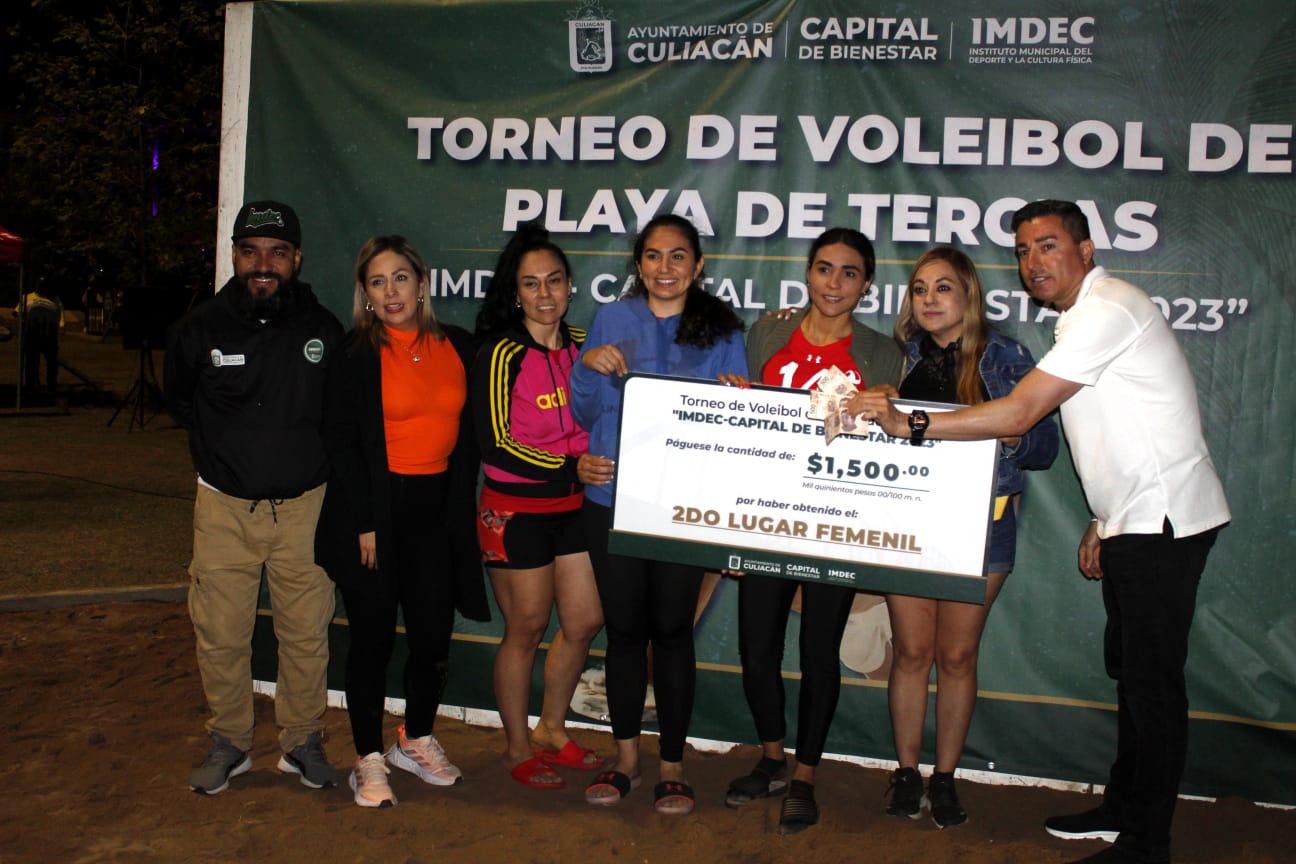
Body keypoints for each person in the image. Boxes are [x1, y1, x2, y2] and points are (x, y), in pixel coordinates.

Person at [849, 201, 1229, 864]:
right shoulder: (1081, 320)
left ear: (1085, 248)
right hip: (1135, 519)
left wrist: (911, 423)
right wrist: (1105, 518)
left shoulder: (1108, 307)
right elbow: (1126, 427)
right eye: (1024, 250)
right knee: (1132, 672)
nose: (1034, 262)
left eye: (1048, 246)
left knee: (1152, 683)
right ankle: (1123, 808)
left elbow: (1025, 414)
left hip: (1166, 521)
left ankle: (1147, 843)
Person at [164, 200, 344, 795]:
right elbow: (183, 405)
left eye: (277, 253)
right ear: (235, 254)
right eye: (250, 251)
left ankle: (301, 741)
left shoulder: (322, 329)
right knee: (219, 630)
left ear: (296, 258)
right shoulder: (200, 328)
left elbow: (335, 417)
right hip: (224, 508)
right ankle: (230, 742)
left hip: (305, 509)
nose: (263, 264)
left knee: (306, 631)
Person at [728, 227, 904, 834]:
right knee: (756, 651)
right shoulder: (767, 333)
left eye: (849, 272)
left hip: (834, 525)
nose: (834, 282)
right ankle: (772, 758)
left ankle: (805, 776)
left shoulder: (883, 353)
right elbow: (746, 422)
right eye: (824, 268)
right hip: (765, 517)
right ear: (807, 274)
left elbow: (890, 439)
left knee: (819, 653)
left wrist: (885, 404)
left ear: (866, 284)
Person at [570, 213, 747, 815]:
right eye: (652, 256)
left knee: (672, 632)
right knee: (623, 633)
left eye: (678, 257)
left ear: (698, 266)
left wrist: (734, 400)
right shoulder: (612, 320)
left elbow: (735, 432)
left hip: (681, 508)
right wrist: (587, 371)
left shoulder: (723, 329)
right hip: (611, 500)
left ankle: (672, 764)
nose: (664, 268)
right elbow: (588, 412)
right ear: (637, 263)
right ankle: (624, 760)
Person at [881, 247, 1058, 828]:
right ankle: (906, 772)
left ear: (969, 295)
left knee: (957, 656)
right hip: (904, 521)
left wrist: (1008, 434)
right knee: (910, 652)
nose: (929, 299)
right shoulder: (892, 354)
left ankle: (946, 776)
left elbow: (1043, 448)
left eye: (943, 288)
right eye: (920, 289)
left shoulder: (1005, 356)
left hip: (983, 525)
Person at [315, 235, 489, 808]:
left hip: (437, 512)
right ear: (364, 293)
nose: (390, 292)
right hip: (373, 514)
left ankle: (413, 740)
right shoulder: (354, 354)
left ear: (422, 283)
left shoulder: (458, 347)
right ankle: (367, 759)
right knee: (370, 641)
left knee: (433, 640)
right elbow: (340, 444)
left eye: (400, 278)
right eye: (377, 281)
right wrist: (365, 519)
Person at [470, 225, 605, 789]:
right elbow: (494, 441)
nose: (545, 293)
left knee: (584, 620)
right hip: (516, 509)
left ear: (570, 286)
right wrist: (565, 465)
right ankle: (516, 745)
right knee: (525, 627)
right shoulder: (501, 352)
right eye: (532, 284)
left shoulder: (581, 344)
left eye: (554, 281)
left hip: (575, 508)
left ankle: (552, 726)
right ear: (516, 292)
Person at [17, 278, 64, 396]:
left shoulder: (28, 300)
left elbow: (17, 314)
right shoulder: (54, 303)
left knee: (32, 360)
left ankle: (31, 384)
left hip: (33, 333)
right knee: (51, 361)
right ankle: (51, 385)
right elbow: (58, 321)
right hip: (49, 334)